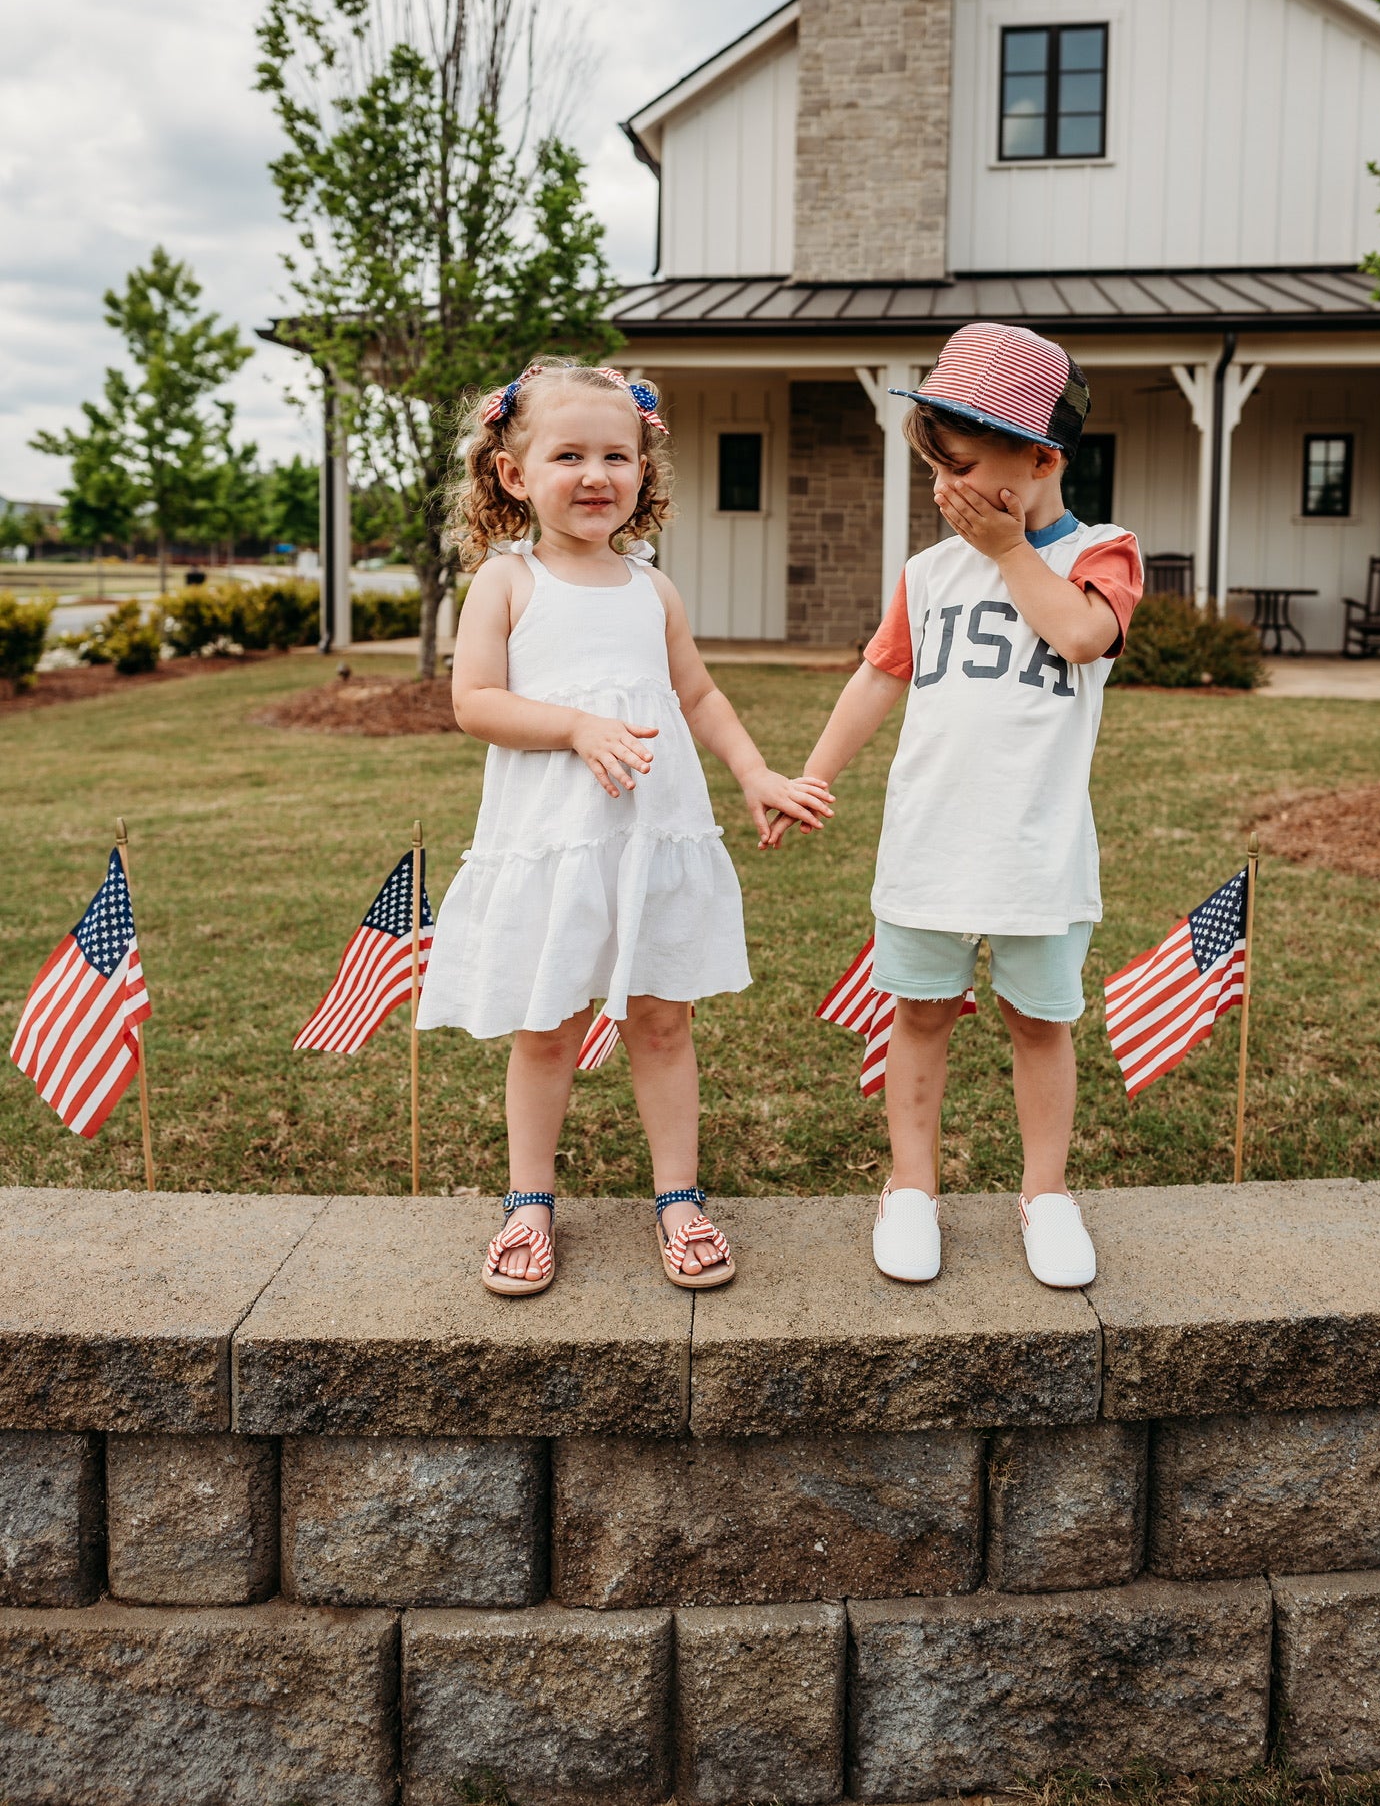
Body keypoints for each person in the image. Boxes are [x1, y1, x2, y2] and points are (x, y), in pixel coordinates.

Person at [417, 357, 833, 1298]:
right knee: (547, 1027)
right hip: (556, 845)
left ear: (645, 471)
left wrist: (754, 770)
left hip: (653, 838)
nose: (597, 473)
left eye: (619, 453)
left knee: (663, 1020)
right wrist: (573, 725)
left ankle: (677, 1197)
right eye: (569, 454)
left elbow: (698, 693)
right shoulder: (507, 583)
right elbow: (474, 701)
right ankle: (530, 1201)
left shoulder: (654, 590)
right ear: (515, 473)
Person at [771, 322, 1142, 1290]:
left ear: (1041, 457)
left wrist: (1013, 550)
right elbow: (876, 676)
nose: (945, 492)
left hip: (1037, 851)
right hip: (931, 842)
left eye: (965, 466)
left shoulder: (1103, 552)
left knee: (1039, 1021)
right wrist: (813, 773)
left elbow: (1079, 635)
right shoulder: (927, 572)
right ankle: (909, 1186)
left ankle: (1047, 1194)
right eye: (935, 469)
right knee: (921, 1012)